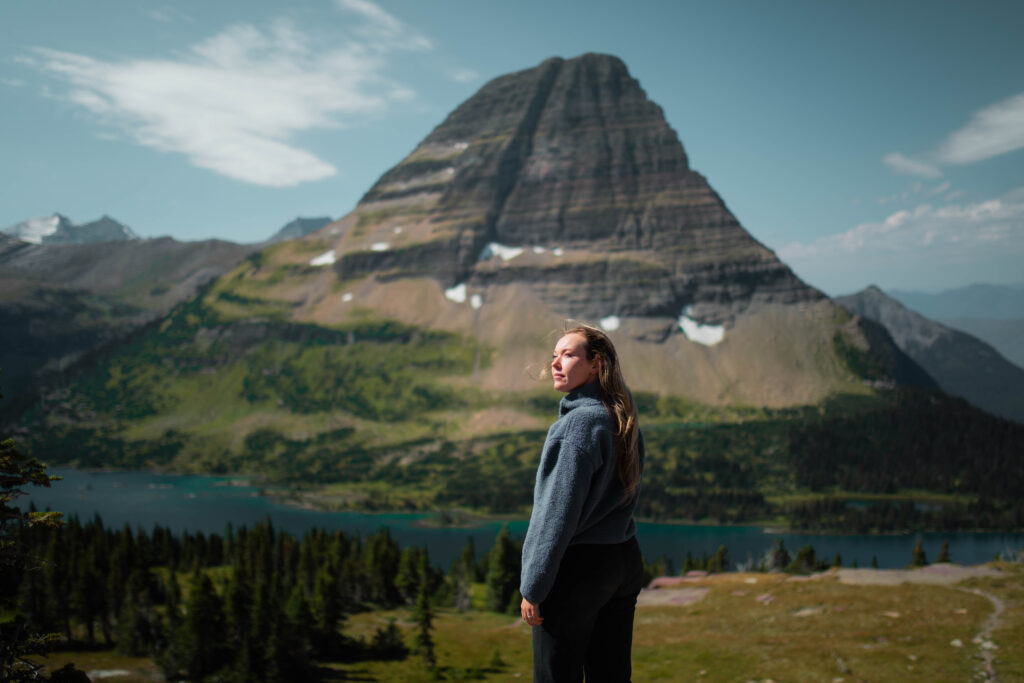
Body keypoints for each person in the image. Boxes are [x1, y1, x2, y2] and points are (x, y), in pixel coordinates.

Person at [520, 323, 645, 682]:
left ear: (597, 364)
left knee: (556, 675)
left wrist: (534, 585)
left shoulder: (575, 426)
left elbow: (555, 513)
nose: (556, 363)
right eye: (555, 355)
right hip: (623, 558)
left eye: (569, 354)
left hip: (578, 568)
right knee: (611, 673)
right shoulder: (621, 417)